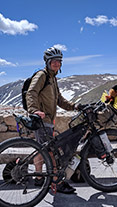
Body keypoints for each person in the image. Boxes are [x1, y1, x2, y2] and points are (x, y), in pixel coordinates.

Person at [26, 46, 79, 194]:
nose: (56, 64)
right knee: (51, 152)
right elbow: (31, 92)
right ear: (47, 62)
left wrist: (75, 106)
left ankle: (38, 178)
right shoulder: (42, 75)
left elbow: (60, 100)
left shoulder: (52, 78)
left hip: (48, 120)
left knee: (41, 149)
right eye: (53, 61)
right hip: (42, 120)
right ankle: (57, 182)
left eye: (59, 61)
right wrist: (34, 110)